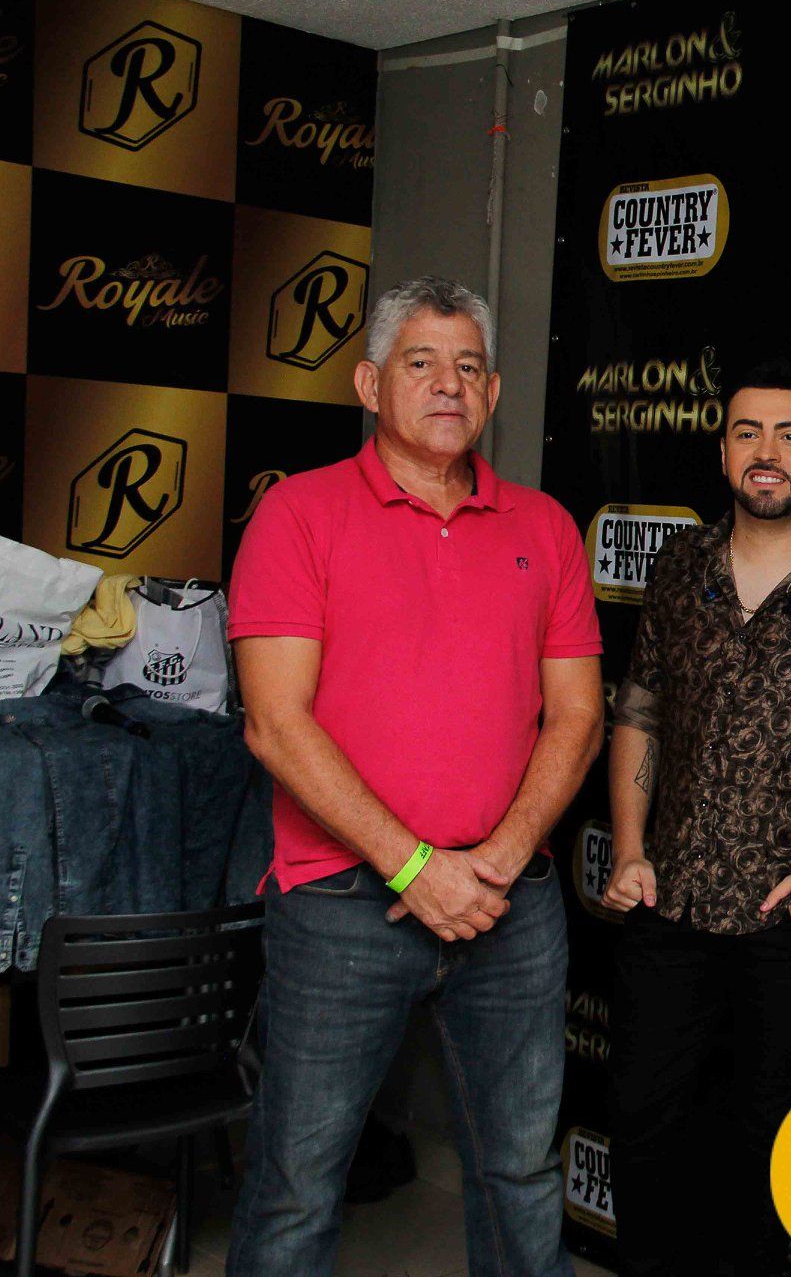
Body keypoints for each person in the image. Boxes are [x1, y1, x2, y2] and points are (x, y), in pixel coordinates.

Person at [227, 278, 602, 1277]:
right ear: (369, 384)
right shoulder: (297, 514)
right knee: (298, 1184)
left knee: (520, 1172)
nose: (449, 386)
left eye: (469, 367)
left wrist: (500, 860)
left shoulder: (544, 526)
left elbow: (576, 716)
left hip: (511, 904)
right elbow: (275, 724)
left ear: (494, 393)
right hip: (341, 903)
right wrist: (414, 867)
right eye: (422, 363)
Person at [600, 353, 791, 1277]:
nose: (766, 452)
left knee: (765, 1153)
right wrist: (629, 847)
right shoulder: (679, 565)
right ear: (724, 449)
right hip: (669, 905)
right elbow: (641, 708)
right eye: (747, 432)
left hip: (790, 921)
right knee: (646, 1136)